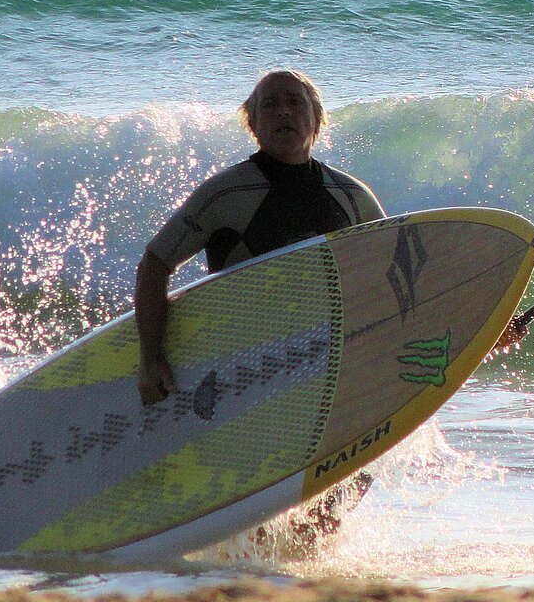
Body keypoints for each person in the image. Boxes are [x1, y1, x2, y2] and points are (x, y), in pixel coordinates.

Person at [134, 68, 386, 558]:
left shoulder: (352, 198)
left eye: (295, 102)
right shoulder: (226, 194)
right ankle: (253, 560)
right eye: (270, 104)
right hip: (246, 369)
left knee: (356, 466)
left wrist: (481, 322)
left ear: (318, 119)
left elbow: (392, 277)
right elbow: (155, 264)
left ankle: (294, 565)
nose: (284, 112)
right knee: (263, 491)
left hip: (326, 363)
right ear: (252, 123)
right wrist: (151, 356)